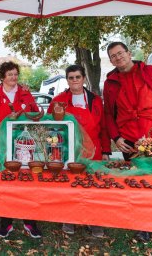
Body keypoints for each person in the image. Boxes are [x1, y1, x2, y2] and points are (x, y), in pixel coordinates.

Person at [103, 41, 152, 243]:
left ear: (129, 53)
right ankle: (143, 226)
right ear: (111, 60)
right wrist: (116, 137)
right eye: (113, 56)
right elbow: (108, 114)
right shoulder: (110, 82)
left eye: (120, 53)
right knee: (137, 184)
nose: (117, 57)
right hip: (129, 142)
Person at [47, 64, 111, 237]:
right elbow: (49, 126)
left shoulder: (95, 100)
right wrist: (54, 149)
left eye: (77, 77)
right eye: (71, 78)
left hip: (94, 151)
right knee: (69, 185)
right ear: (67, 80)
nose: (74, 80)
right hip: (69, 150)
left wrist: (106, 150)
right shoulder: (58, 100)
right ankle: (70, 218)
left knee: (93, 185)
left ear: (83, 78)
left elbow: (104, 126)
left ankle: (94, 221)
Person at [0, 61, 42, 239]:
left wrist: (28, 117)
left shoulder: (25, 93)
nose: (13, 77)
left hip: (22, 146)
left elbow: (35, 114)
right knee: (3, 185)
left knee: (26, 183)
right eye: (10, 74)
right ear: (2, 77)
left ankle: (29, 222)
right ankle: (6, 222)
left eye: (15, 74)